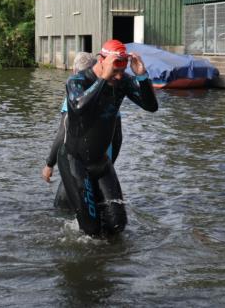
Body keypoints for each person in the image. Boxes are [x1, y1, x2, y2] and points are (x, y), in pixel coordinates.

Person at [57, 39, 158, 237]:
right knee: (92, 231)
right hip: (74, 161)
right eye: (115, 71)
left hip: (101, 162)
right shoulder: (77, 81)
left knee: (117, 226)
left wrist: (142, 76)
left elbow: (151, 106)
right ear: (102, 60)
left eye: (122, 71)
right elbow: (78, 108)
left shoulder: (122, 82)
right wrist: (103, 78)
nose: (119, 77)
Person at [41, 52, 123, 209]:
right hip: (103, 166)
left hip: (78, 165)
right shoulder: (109, 95)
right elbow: (118, 137)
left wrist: (49, 164)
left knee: (63, 210)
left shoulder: (75, 98)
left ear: (74, 71)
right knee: (103, 214)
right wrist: (108, 165)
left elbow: (63, 132)